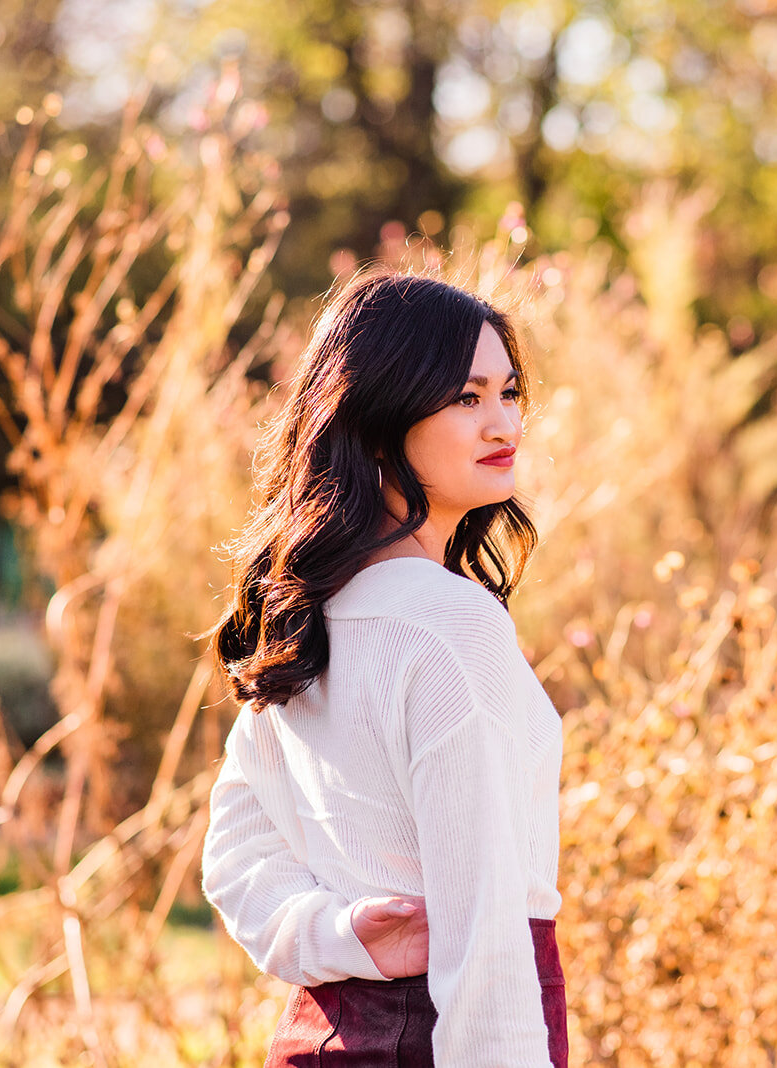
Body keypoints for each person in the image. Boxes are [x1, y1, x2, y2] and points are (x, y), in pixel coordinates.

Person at [201, 270, 566, 1068]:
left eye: (508, 393)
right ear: (376, 420)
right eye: (465, 398)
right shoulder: (452, 624)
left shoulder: (301, 619)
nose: (502, 422)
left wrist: (335, 936)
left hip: (323, 1037)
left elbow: (235, 859)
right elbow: (483, 937)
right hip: (443, 1037)